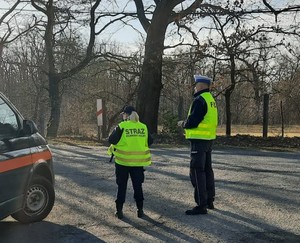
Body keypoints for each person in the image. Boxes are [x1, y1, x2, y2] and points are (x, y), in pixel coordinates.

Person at [178, 75, 218, 215]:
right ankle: (209, 200)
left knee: (196, 171)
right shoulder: (211, 99)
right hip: (208, 139)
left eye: (196, 85)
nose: (194, 87)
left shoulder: (200, 100)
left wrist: (183, 124)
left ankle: (201, 204)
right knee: (207, 170)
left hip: (198, 139)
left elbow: (193, 121)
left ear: (201, 86)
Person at [108, 105, 153, 219]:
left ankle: (119, 211)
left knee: (121, 186)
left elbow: (111, 140)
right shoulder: (143, 127)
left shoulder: (122, 126)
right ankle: (140, 210)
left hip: (123, 162)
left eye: (123, 114)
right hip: (138, 163)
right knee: (138, 186)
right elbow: (150, 141)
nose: (123, 116)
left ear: (127, 115)